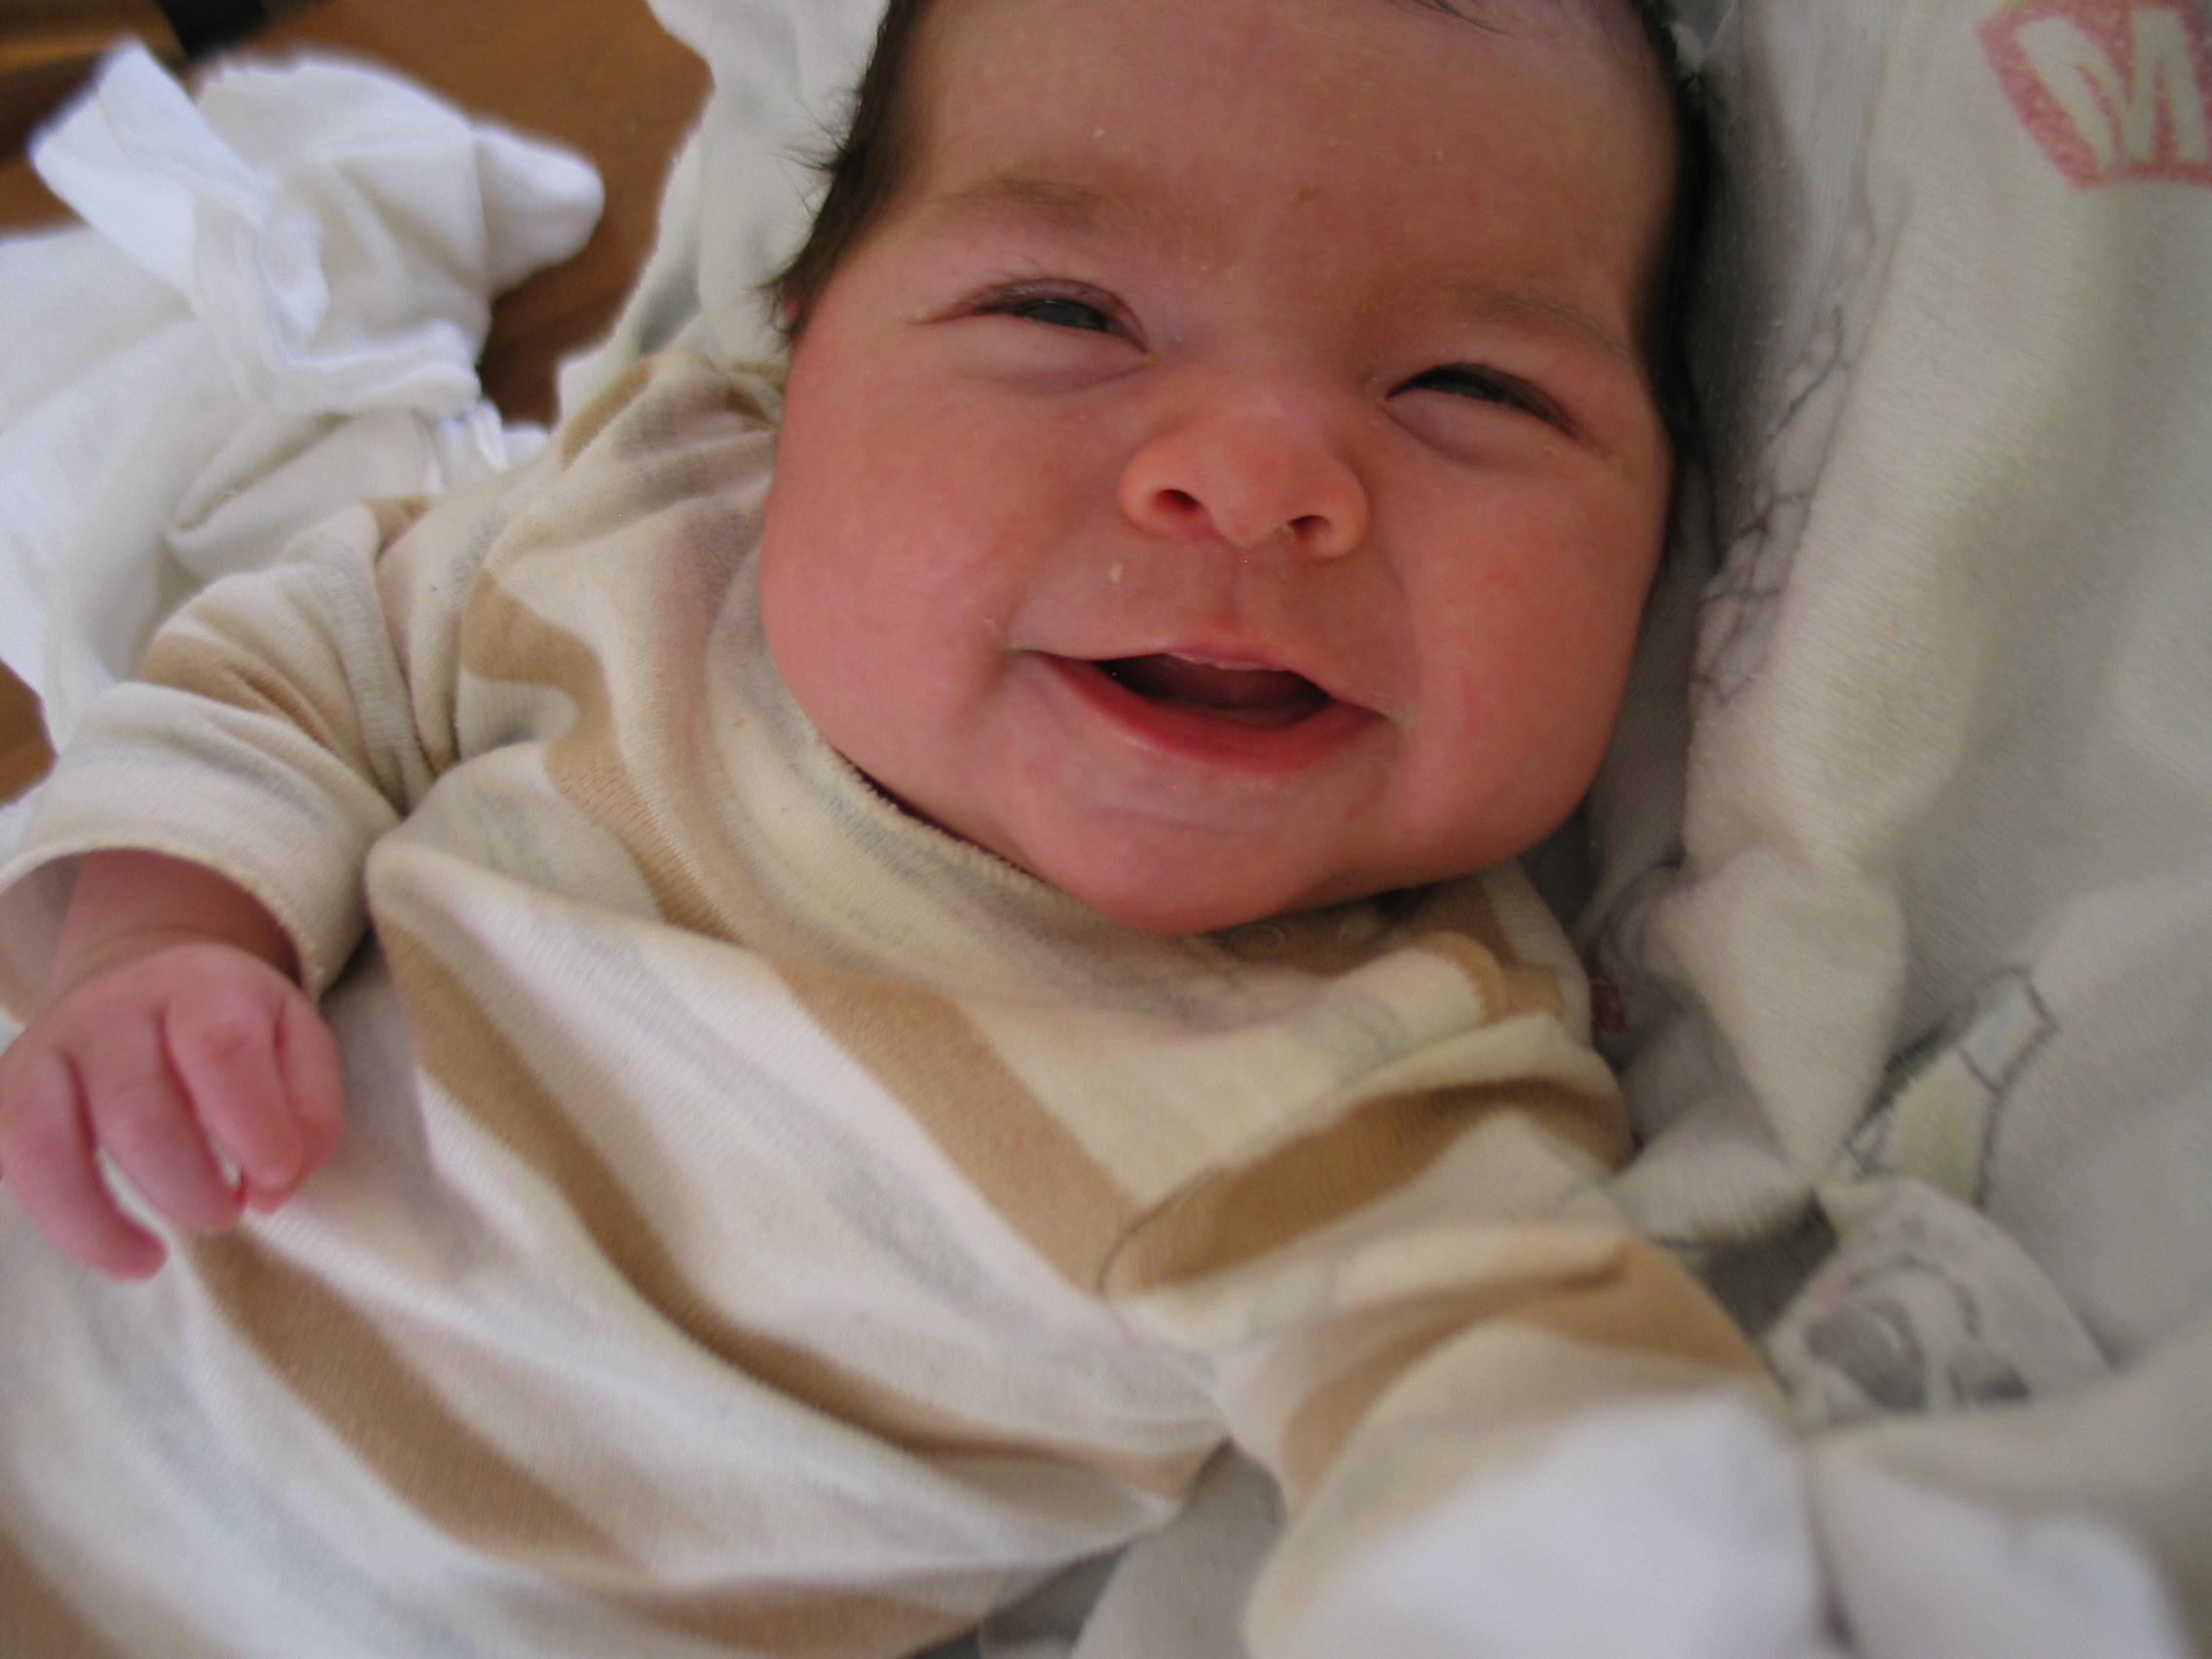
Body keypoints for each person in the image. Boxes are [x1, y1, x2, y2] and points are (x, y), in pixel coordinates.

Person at [0, 0, 1815, 1654]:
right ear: (802, 362)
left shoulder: (1380, 1080)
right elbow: (307, 653)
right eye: (1067, 312)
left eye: (1473, 389)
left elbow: (1532, 1439)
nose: (1255, 475)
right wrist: (166, 928)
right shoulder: (657, 526)